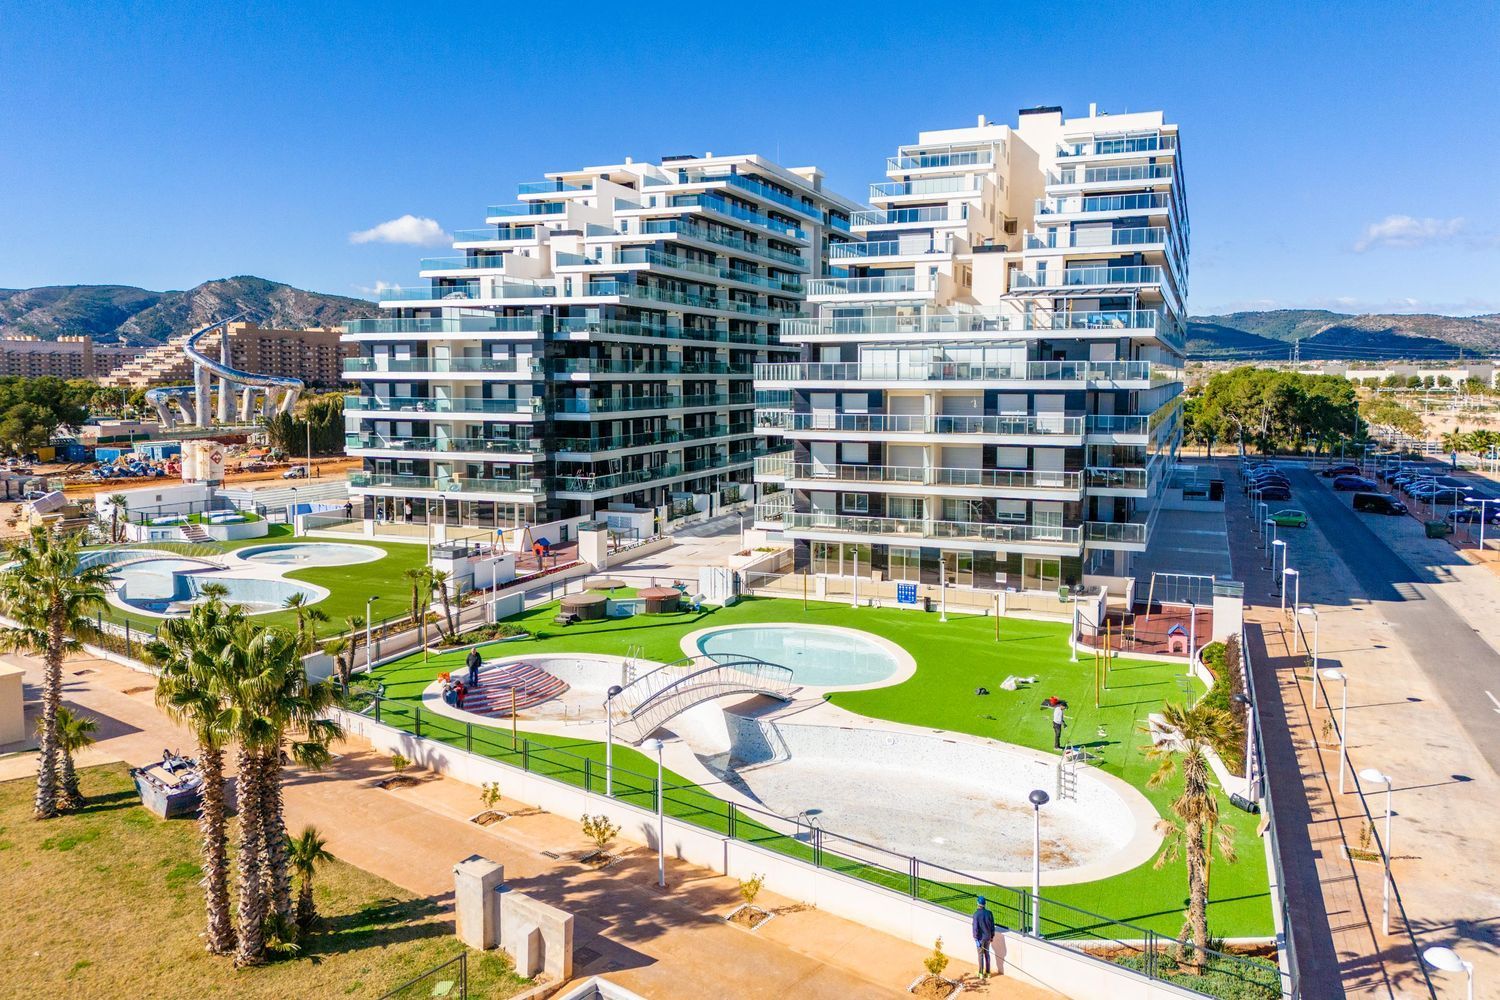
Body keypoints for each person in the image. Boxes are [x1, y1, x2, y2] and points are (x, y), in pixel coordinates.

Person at [971, 895, 996, 978]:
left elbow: (975, 928)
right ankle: (988, 973)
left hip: (980, 939)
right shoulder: (989, 913)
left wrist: (976, 938)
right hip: (988, 937)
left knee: (981, 955)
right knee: (987, 954)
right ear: (985, 904)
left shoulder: (976, 914)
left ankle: (981, 973)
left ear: (978, 903)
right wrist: (992, 936)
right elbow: (992, 926)